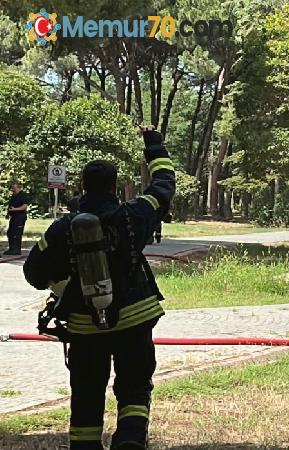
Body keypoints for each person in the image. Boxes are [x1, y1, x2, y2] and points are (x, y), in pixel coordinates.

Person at [23, 126, 175, 450]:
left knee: (87, 393)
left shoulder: (63, 228)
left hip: (84, 326)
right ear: (115, 187)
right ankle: (131, 439)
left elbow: (32, 272)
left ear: (81, 186)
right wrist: (154, 147)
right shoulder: (136, 214)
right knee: (134, 387)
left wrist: (63, 283)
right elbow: (164, 185)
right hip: (135, 319)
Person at [4, 182, 30, 255]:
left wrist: (15, 209)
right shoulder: (14, 195)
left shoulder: (22, 195)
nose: (12, 189)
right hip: (14, 217)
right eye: (12, 188)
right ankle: (11, 249)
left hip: (20, 217)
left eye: (14, 188)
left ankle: (17, 250)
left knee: (17, 233)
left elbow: (24, 206)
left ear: (18, 188)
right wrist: (8, 213)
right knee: (10, 232)